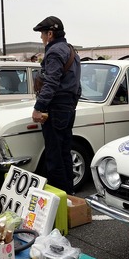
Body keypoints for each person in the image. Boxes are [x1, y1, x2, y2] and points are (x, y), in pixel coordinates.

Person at [31, 16, 81, 195]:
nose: (42, 38)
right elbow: (77, 85)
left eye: (42, 35)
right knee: (65, 151)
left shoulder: (54, 52)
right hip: (68, 108)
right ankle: (69, 193)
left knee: (54, 156)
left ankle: (59, 197)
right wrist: (70, 105)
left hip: (56, 108)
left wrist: (39, 107)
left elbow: (51, 82)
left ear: (50, 34)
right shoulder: (71, 51)